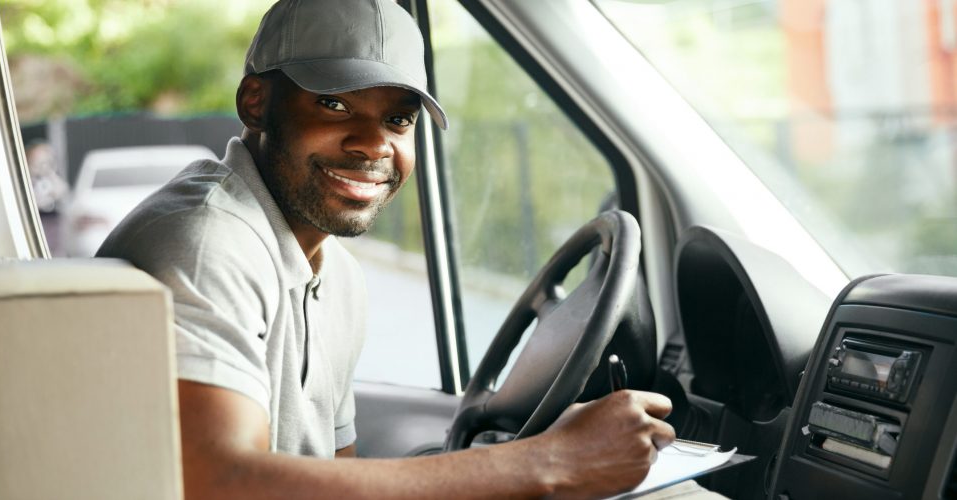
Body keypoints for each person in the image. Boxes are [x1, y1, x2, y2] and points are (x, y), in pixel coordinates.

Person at [98, 0, 700, 497]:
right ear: (255, 102)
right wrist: (549, 462)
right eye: (334, 103)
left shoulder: (337, 275)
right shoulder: (208, 241)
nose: (372, 144)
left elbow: (337, 471)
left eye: (399, 120)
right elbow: (217, 483)